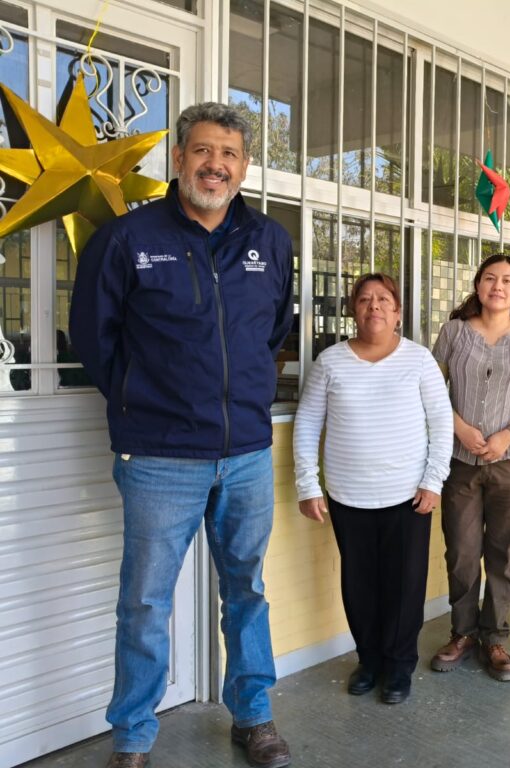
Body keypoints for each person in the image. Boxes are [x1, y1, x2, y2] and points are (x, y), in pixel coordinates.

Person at [70, 102, 293, 768]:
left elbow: (272, 333)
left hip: (247, 453)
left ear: (245, 164)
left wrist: (242, 398)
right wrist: (146, 400)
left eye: (228, 153)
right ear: (178, 158)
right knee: (143, 602)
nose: (214, 165)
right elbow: (93, 337)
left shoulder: (270, 241)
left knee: (246, 591)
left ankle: (253, 715)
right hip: (160, 456)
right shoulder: (129, 238)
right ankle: (134, 736)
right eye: (201, 150)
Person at [292, 273, 453, 705]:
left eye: (384, 299)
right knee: (359, 585)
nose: (374, 306)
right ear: (352, 310)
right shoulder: (331, 362)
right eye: (364, 299)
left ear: (398, 311)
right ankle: (370, 661)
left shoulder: (419, 361)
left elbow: (441, 424)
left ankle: (399, 666)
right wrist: (309, 484)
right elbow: (308, 424)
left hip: (408, 497)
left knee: (404, 587)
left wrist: (433, 481)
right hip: (348, 497)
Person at [430, 253, 510, 682]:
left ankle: (494, 636)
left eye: (507, 281)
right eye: (489, 279)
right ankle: (462, 632)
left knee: (504, 552)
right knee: (462, 551)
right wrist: (459, 428)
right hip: (460, 460)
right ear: (478, 286)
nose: (497, 286)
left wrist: (507, 435)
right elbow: (431, 388)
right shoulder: (453, 332)